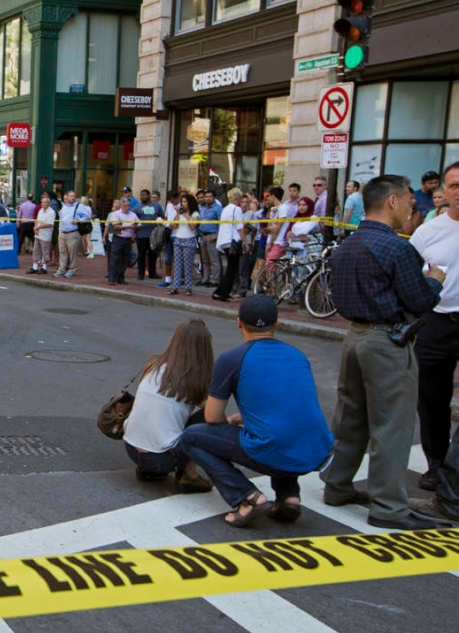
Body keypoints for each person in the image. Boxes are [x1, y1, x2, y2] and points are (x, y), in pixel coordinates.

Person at [322, 174, 447, 530]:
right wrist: (434, 281)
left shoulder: (347, 245)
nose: (414, 205)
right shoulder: (397, 248)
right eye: (409, 198)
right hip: (388, 340)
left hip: (355, 337)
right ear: (392, 201)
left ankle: (337, 484)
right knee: (392, 423)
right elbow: (420, 300)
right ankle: (389, 507)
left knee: (350, 417)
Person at [180, 295, 333, 527]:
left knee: (192, 437)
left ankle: (248, 498)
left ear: (239, 322)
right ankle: (288, 497)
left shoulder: (232, 359)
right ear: (277, 323)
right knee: (280, 430)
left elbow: (212, 416)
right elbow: (287, 406)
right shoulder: (297, 356)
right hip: (316, 450)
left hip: (275, 449)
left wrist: (230, 422)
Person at [409, 162, 459, 499]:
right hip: (437, 321)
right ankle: (436, 464)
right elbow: (409, 276)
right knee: (431, 400)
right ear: (443, 191)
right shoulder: (428, 231)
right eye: (454, 185)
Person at [124, 319, 215, 492]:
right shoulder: (193, 379)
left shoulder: (155, 363)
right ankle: (189, 474)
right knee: (208, 418)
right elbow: (213, 413)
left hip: (130, 447)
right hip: (161, 458)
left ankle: (148, 469)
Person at [214, 188, 247, 302]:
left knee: (229, 268)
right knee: (231, 270)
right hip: (233, 241)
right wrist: (246, 243)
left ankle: (219, 291)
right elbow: (240, 228)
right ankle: (224, 293)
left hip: (224, 241)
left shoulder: (225, 209)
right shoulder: (237, 209)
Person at [169, 193, 199, 296]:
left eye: (185, 202)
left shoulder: (195, 214)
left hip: (189, 240)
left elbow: (193, 227)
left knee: (188, 266)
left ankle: (188, 287)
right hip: (178, 239)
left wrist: (187, 216)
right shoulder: (180, 214)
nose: (183, 204)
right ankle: (175, 286)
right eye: (182, 202)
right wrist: (178, 214)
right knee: (177, 265)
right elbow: (173, 226)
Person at [55, 190, 90, 278]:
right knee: (62, 252)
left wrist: (79, 220)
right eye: (70, 196)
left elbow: (87, 217)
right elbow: (61, 220)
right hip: (62, 233)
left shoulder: (79, 206)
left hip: (73, 232)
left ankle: (72, 269)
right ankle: (61, 269)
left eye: (73, 196)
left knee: (72, 253)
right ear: (66, 197)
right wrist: (60, 232)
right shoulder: (64, 207)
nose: (72, 198)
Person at [132, 189, 163, 280]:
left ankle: (152, 273)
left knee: (153, 255)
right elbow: (133, 220)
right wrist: (133, 233)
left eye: (144, 195)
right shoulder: (137, 207)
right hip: (141, 235)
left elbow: (162, 216)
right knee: (141, 255)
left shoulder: (156, 206)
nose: (142, 197)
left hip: (153, 235)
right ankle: (140, 273)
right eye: (141, 195)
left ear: (149, 196)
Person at [106, 198, 135, 285]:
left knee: (125, 260)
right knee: (115, 259)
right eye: (125, 206)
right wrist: (129, 226)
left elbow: (138, 224)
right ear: (121, 206)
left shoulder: (133, 214)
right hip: (118, 238)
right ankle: (112, 278)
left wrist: (134, 229)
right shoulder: (115, 214)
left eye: (128, 206)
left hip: (128, 239)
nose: (127, 207)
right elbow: (115, 226)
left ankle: (120, 277)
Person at [197, 189, 222, 286]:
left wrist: (217, 235)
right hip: (203, 235)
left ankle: (215, 280)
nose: (207, 198)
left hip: (212, 236)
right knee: (204, 260)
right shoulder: (204, 208)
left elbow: (221, 223)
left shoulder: (218, 208)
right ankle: (205, 279)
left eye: (209, 196)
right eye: (206, 197)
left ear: (214, 198)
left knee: (214, 260)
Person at [157, 190, 179, 289]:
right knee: (168, 257)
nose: (172, 202)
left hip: (178, 234)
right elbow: (166, 217)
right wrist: (162, 221)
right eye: (170, 200)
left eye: (173, 199)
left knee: (178, 258)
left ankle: (178, 279)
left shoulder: (182, 206)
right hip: (168, 233)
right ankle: (168, 279)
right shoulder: (169, 205)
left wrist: (173, 223)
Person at [27, 193, 54, 275]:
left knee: (45, 252)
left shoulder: (51, 212)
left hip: (46, 235)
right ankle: (35, 267)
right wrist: (35, 228)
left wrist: (39, 227)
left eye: (45, 202)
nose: (43, 204)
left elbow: (50, 224)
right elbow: (37, 221)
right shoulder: (40, 211)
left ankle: (44, 268)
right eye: (42, 202)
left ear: (48, 203)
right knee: (36, 250)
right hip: (38, 234)